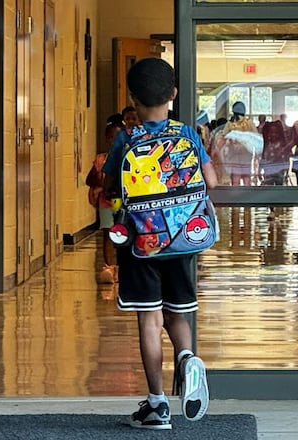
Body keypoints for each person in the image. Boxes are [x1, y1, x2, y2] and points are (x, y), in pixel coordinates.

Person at [102, 57, 218, 430]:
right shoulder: (187, 135)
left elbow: (110, 188)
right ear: (174, 94)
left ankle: (156, 406)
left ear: (133, 99)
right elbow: (211, 182)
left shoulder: (126, 138)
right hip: (183, 240)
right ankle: (187, 359)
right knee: (177, 314)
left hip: (142, 242)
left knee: (150, 320)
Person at [86, 114, 124, 283]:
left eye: (118, 137)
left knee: (123, 233)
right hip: (106, 202)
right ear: (107, 139)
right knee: (108, 233)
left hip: (124, 203)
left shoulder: (129, 159)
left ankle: (122, 266)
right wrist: (99, 178)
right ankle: (109, 266)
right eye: (111, 137)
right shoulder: (101, 160)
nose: (114, 140)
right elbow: (89, 180)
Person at [214, 101, 263, 186]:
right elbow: (256, 138)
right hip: (246, 154)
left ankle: (235, 198)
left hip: (233, 154)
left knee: (235, 178)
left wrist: (216, 150)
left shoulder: (230, 123)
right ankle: (246, 197)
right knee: (246, 177)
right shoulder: (249, 122)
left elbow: (223, 138)